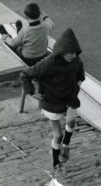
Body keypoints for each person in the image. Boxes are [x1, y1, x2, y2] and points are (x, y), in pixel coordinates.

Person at [21, 28, 85, 173]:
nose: (74, 56)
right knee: (58, 135)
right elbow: (25, 75)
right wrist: (32, 93)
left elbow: (81, 74)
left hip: (70, 98)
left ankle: (66, 146)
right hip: (52, 102)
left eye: (75, 53)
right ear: (62, 52)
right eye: (71, 53)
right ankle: (56, 162)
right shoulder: (47, 64)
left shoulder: (76, 60)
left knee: (71, 121)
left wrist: (76, 86)